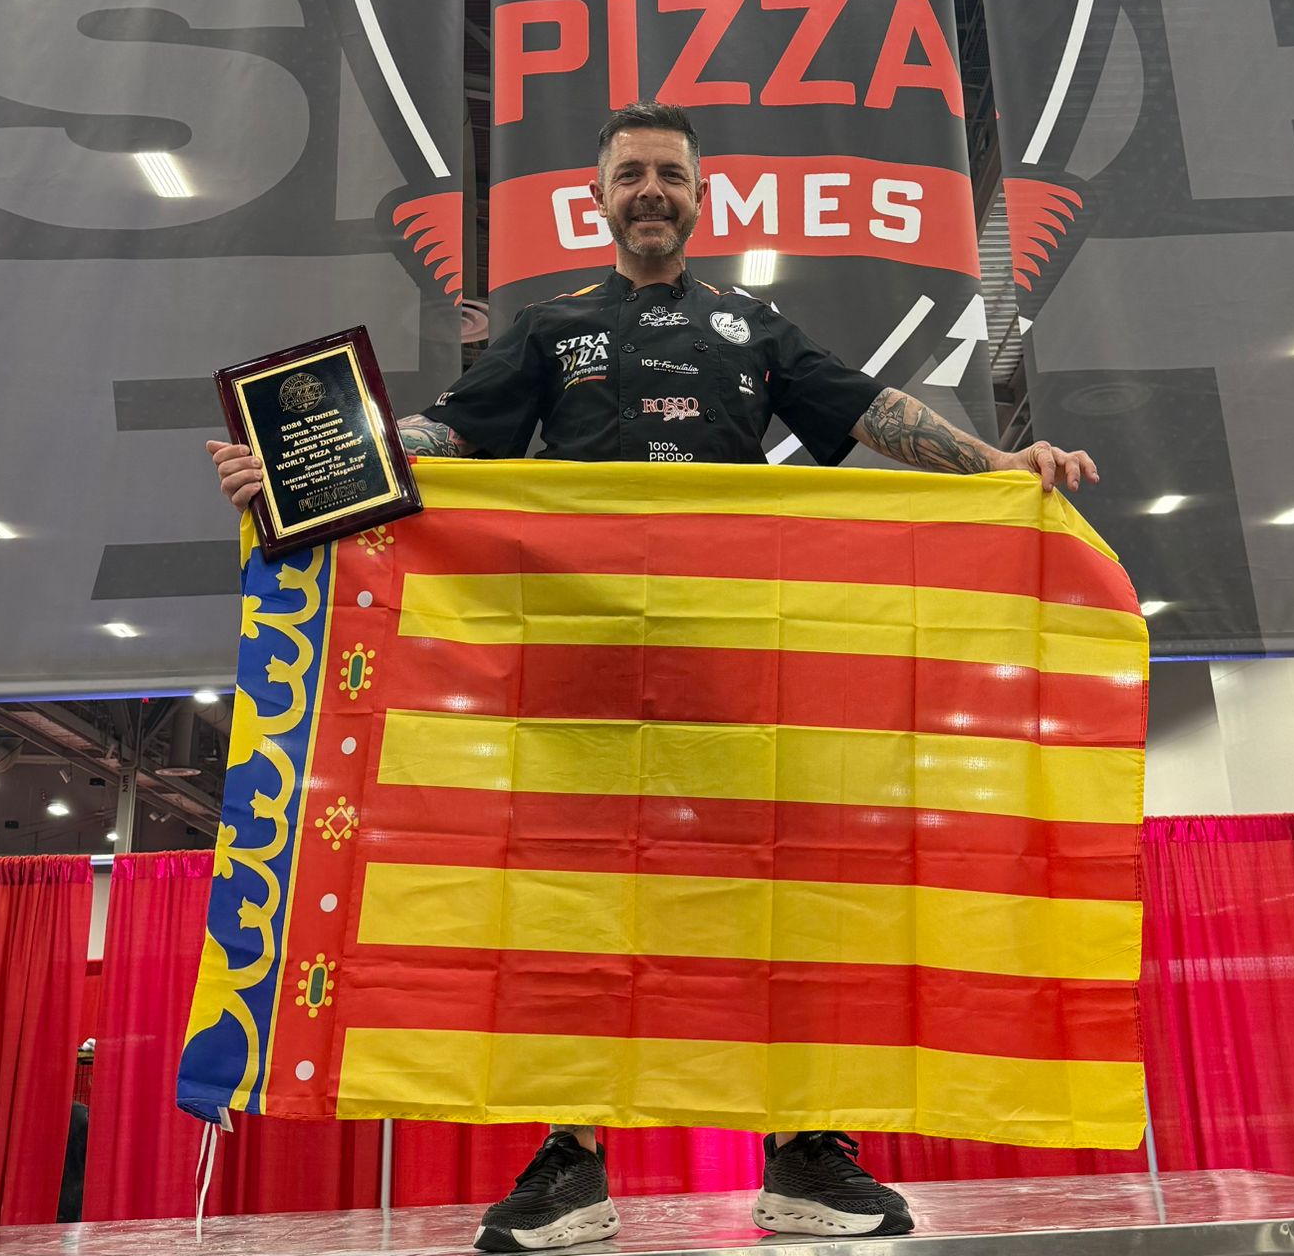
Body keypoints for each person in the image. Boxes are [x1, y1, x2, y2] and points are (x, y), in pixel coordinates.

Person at [209, 100, 1098, 1250]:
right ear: (598, 198)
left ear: (699, 197)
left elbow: (870, 409)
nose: (650, 191)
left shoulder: (754, 326)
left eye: (670, 175)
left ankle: (805, 1146)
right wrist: (302, 468)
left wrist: (998, 465)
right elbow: (447, 434)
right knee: (574, 903)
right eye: (630, 173)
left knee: (780, 895)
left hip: (739, 667)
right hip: (579, 668)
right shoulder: (548, 328)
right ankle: (570, 1158)